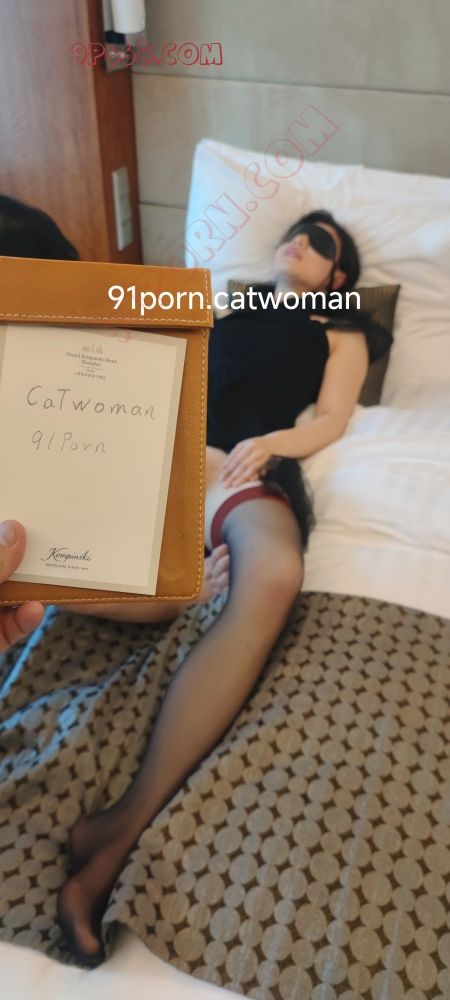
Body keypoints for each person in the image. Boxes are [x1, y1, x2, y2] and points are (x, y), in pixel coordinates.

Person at [1, 195, 391, 963]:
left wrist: (273, 443)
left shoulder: (338, 321)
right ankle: (177, 586)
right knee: (60, 551)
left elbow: (333, 416)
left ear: (339, 274)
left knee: (272, 570)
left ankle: (119, 828)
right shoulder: (215, 310)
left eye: (316, 241)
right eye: (291, 234)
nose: (295, 244)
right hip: (147, 458)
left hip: (234, 464)